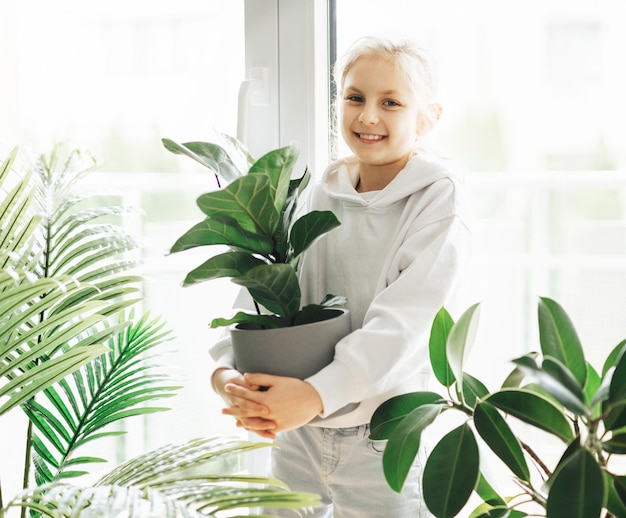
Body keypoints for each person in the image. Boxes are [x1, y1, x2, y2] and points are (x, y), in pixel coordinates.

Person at [210, 35, 472, 517]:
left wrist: (316, 395)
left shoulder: (436, 201)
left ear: (428, 117)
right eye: (354, 98)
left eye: (390, 102)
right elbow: (270, 286)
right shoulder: (318, 194)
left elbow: (404, 327)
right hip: (296, 429)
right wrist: (228, 369)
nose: (368, 116)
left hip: (380, 434)